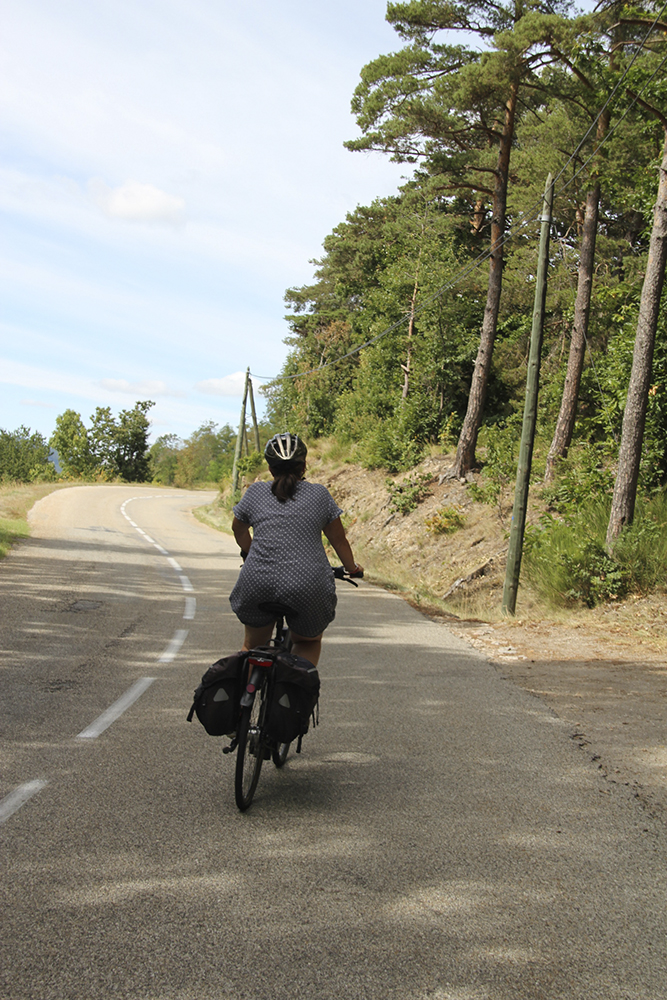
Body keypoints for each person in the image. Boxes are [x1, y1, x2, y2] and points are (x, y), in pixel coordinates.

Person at [229, 432, 362, 666]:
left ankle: (243, 699)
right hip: (308, 585)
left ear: (271, 469)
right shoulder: (319, 495)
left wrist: (251, 554)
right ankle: (294, 697)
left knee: (252, 647)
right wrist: (352, 568)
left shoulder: (256, 492)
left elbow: (238, 529)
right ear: (304, 466)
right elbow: (339, 541)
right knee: (307, 642)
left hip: (256, 581)